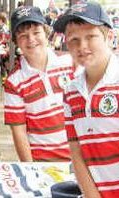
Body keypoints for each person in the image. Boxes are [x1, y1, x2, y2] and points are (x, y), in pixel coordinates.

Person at [53, 2, 119, 197]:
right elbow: (77, 153)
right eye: (73, 39)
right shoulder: (71, 91)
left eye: (91, 37)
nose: (82, 46)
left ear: (109, 37)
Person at [4, 6, 75, 162]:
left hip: (79, 158)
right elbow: (19, 132)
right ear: (15, 42)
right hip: (43, 162)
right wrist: (30, 167)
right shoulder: (14, 82)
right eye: (23, 35)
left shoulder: (70, 62)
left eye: (36, 32)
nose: (31, 40)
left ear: (46, 32)